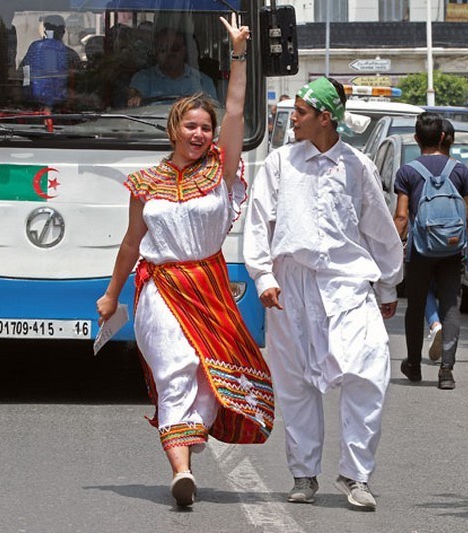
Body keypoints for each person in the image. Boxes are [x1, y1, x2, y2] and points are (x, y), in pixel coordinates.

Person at [96, 15, 273, 508]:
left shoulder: (220, 169)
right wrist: (112, 295)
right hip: (160, 287)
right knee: (177, 365)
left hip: (209, 284)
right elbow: (132, 244)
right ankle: (181, 470)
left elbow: (236, 111)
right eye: (191, 126)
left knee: (208, 373)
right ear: (175, 128)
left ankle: (188, 433)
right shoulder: (145, 183)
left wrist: (238, 55)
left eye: (206, 127)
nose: (199, 134)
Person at [243, 77, 404, 511]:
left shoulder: (357, 166)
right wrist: (262, 276)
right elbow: (259, 222)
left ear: (325, 118)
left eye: (300, 112)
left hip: (346, 283)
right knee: (296, 382)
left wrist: (387, 282)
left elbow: (379, 228)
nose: (291, 118)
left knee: (367, 372)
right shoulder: (279, 163)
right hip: (290, 285)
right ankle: (304, 474)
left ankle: (356, 475)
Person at [393, 113, 468, 390]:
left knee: (415, 306)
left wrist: (393, 247)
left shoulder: (407, 172)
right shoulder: (460, 170)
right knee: (451, 305)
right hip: (452, 250)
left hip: (420, 250)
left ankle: (414, 365)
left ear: (416, 139)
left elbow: (402, 217)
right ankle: (446, 370)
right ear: (443, 137)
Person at [126, 27, 218, 107]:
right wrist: (135, 97)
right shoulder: (143, 78)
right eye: (163, 49)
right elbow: (134, 96)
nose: (169, 53)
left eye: (175, 48)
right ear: (156, 52)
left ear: (184, 51)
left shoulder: (203, 81)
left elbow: (213, 111)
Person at [19, 15, 81, 109]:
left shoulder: (34, 49)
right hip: (65, 109)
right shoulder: (71, 54)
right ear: (63, 31)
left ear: (45, 30)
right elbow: (79, 82)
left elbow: (22, 73)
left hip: (33, 107)